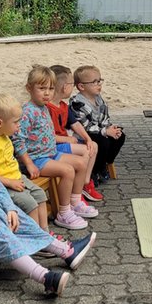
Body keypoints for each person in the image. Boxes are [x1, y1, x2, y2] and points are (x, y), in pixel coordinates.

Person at [0, 102, 96, 296]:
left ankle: (67, 251)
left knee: (23, 220)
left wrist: (10, 208)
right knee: (1, 232)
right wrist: (3, 214)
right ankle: (45, 278)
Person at [12, 65, 98, 231]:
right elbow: (17, 140)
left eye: (51, 89)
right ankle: (63, 213)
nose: (47, 93)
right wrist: (28, 163)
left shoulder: (43, 108)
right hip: (36, 159)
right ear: (29, 88)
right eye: (42, 88)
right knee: (67, 171)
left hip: (49, 153)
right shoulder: (27, 112)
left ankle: (75, 201)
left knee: (81, 163)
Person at [0, 93, 56, 237]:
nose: (19, 125)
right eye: (16, 122)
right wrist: (9, 182)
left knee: (40, 195)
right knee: (29, 203)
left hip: (17, 177)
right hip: (4, 185)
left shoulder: (5, 136)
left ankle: (45, 234)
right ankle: (35, 238)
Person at [48, 65, 103, 202]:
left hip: (64, 142)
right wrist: (66, 139)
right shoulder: (47, 109)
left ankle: (85, 182)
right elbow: (46, 136)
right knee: (85, 151)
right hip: (54, 145)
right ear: (64, 87)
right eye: (72, 84)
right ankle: (76, 190)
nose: (73, 88)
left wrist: (87, 138)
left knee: (93, 146)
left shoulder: (63, 106)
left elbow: (75, 124)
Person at [70, 65, 126, 185]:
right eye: (94, 82)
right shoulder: (77, 103)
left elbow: (104, 117)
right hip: (84, 135)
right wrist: (105, 131)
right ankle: (94, 170)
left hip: (99, 131)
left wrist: (109, 128)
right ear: (81, 86)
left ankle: (104, 164)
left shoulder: (99, 99)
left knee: (120, 136)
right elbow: (85, 126)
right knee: (103, 142)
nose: (99, 84)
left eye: (100, 81)